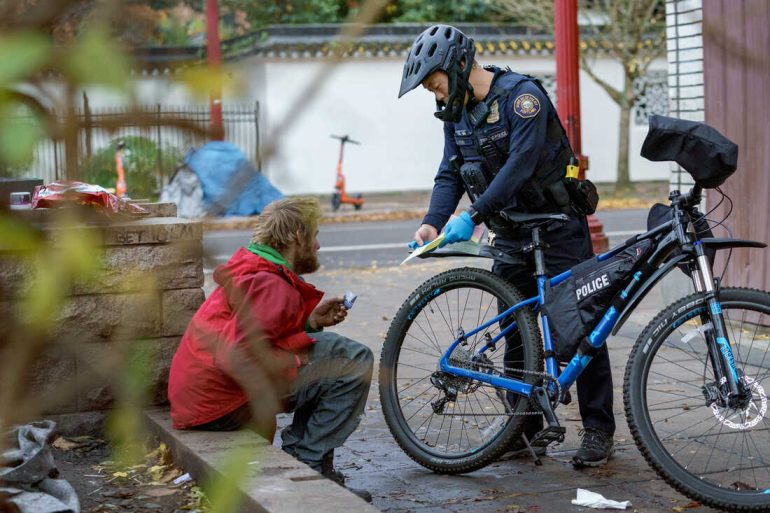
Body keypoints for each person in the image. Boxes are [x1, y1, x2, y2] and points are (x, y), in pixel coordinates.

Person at [398, 24, 615, 468]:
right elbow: (450, 173)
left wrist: (472, 216)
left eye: (435, 85)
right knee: (517, 331)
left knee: (582, 327)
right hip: (511, 235)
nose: (436, 97)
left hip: (558, 229)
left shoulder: (522, 97)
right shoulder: (456, 113)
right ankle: (525, 428)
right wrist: (432, 222)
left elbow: (522, 163)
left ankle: (598, 430)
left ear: (458, 67)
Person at [167, 197, 374, 500]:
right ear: (297, 236)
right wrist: (298, 358)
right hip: (218, 405)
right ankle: (309, 466)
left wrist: (310, 323)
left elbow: (260, 335)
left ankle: (310, 460)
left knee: (325, 356)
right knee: (352, 360)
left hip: (201, 400)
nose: (317, 246)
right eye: (314, 236)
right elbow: (237, 356)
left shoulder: (257, 268)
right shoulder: (271, 283)